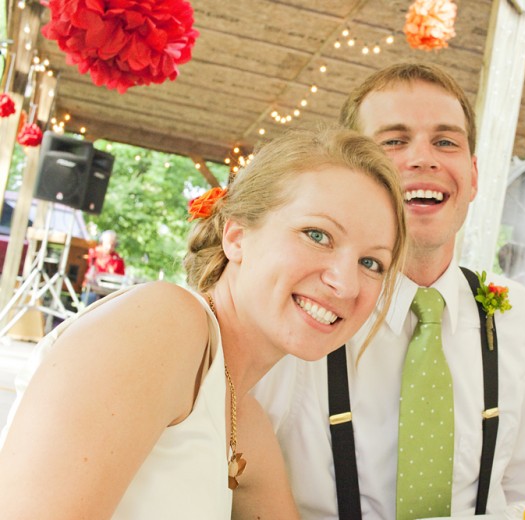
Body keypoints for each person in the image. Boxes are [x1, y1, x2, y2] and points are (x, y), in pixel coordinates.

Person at [0, 128, 407, 519]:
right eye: (317, 235)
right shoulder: (165, 323)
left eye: (371, 263)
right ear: (236, 235)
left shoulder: (245, 423)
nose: (346, 283)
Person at [250, 63, 525, 518]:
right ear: (349, 171)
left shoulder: (522, 320)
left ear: (473, 175)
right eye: (394, 141)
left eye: (446, 142)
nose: (423, 159)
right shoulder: (300, 307)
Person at [81, 229, 126, 305]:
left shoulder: (118, 260)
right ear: (102, 242)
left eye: (112, 245)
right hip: (91, 290)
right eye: (108, 243)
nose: (109, 247)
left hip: (109, 294)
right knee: (90, 299)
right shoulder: (93, 253)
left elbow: (121, 280)